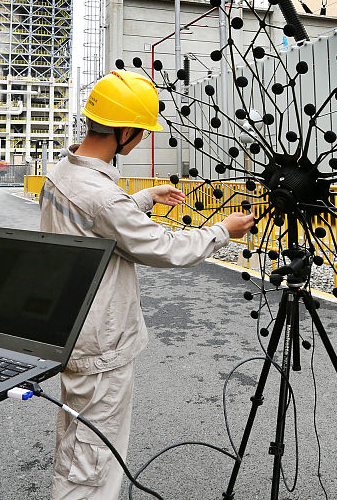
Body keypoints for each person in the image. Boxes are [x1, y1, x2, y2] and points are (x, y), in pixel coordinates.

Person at [39, 70, 254, 500]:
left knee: (80, 442)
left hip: (70, 325)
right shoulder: (101, 197)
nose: (139, 141)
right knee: (91, 461)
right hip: (99, 345)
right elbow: (162, 248)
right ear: (125, 132)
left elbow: (100, 221)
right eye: (140, 133)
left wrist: (142, 198)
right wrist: (223, 231)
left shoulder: (62, 171)